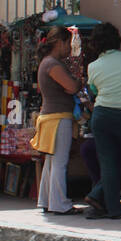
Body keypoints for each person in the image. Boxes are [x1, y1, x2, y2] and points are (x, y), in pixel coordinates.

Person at [84, 23, 121, 220]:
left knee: (107, 163)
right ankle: (102, 200)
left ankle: (106, 204)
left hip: (102, 117)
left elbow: (93, 92)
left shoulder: (92, 67)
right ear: (117, 39)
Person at [32, 27, 82, 215]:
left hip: (50, 117)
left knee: (51, 162)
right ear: (59, 42)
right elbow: (71, 86)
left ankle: (46, 200)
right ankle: (60, 204)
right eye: (68, 44)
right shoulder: (53, 64)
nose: (70, 49)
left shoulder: (47, 63)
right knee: (60, 161)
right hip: (58, 118)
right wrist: (77, 83)